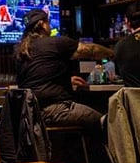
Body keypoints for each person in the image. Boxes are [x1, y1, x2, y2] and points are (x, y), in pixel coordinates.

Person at [15, 7, 114, 137]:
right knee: (108, 123)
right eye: (48, 22)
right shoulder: (56, 43)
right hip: (56, 110)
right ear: (43, 25)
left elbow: (38, 75)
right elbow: (91, 50)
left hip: (30, 114)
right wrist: (113, 54)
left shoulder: (20, 50)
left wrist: (66, 79)